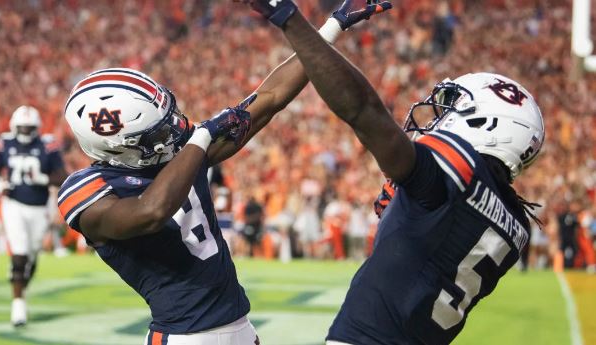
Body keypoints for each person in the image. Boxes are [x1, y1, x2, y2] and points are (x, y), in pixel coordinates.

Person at [57, 4, 390, 343]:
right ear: (117, 146)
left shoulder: (180, 151)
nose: (174, 130)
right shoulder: (86, 191)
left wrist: (329, 29)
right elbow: (149, 212)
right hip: (183, 336)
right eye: (157, 132)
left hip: (240, 328)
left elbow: (269, 98)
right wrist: (201, 140)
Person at [239, 1, 545, 344]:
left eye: (455, 108)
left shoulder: (456, 171)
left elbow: (363, 110)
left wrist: (289, 18)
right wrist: (403, 210)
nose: (439, 118)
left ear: (488, 123)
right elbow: (427, 251)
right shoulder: (515, 223)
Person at [0, 106, 68, 326]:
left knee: (32, 255)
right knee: (21, 253)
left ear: (37, 128)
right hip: (13, 204)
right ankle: (18, 306)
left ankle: (20, 287)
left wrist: (42, 179)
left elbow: (62, 176)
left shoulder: (47, 145)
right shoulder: (4, 142)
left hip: (39, 207)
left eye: (29, 128)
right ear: (14, 127)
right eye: (22, 127)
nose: (25, 131)